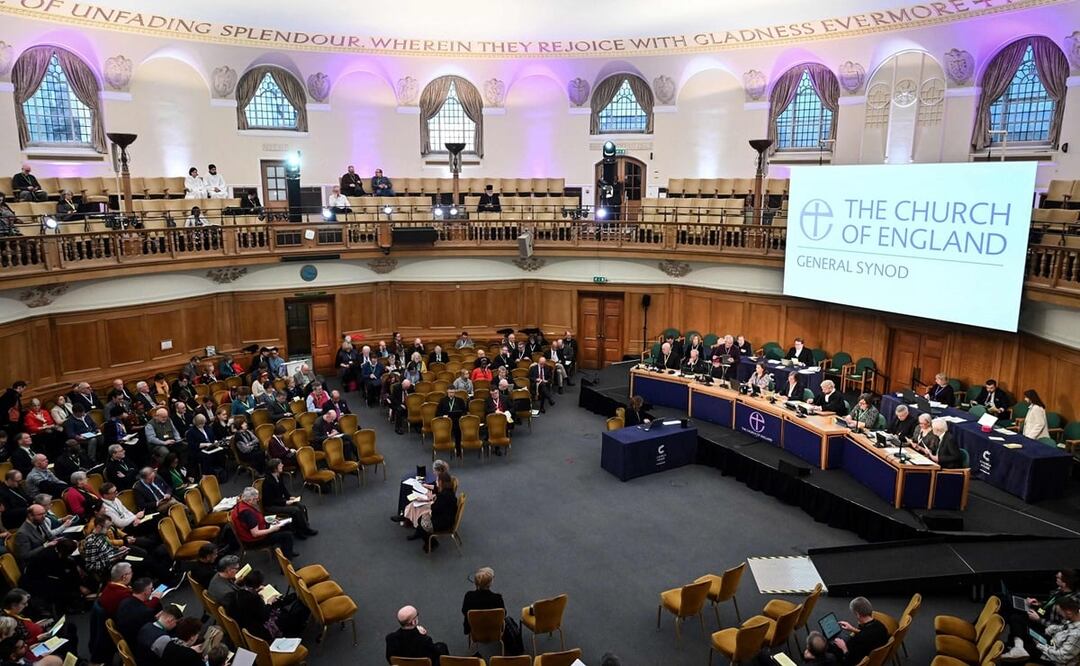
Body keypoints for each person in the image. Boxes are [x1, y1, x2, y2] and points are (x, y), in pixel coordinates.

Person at [1002, 569, 1079, 660]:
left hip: (1048, 630)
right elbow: (1050, 604)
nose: (1056, 577)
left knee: (1021, 628)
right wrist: (1038, 604)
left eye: (1058, 578)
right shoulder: (1059, 591)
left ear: (1065, 583)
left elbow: (1062, 628)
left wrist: (1039, 620)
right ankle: (1017, 647)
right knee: (1015, 614)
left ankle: (1017, 648)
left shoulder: (1071, 603)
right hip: (1042, 617)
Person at [230, 486, 299, 558]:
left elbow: (252, 522)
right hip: (254, 541)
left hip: (249, 534)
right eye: (256, 499)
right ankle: (287, 557)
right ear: (250, 500)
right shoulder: (248, 513)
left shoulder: (240, 505)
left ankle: (286, 550)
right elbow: (255, 534)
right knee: (288, 535)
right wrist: (272, 529)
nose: (258, 500)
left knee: (285, 525)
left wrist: (270, 520)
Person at [262, 458, 317, 538]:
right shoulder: (268, 482)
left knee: (299, 506)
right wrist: (285, 502)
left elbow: (283, 489)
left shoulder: (278, 476)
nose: (282, 465)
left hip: (279, 501)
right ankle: (300, 531)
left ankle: (303, 527)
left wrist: (289, 497)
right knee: (294, 510)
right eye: (280, 465)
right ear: (275, 468)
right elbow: (269, 500)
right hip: (271, 506)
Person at [833, 597, 889, 665]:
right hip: (875, 656)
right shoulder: (880, 625)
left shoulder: (859, 639)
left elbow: (850, 661)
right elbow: (867, 633)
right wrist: (852, 629)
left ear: (858, 614)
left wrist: (843, 647)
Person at [1034, 594, 1080, 665]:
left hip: (1055, 660)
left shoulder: (1076, 634)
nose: (1060, 615)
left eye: (1060, 613)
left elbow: (1061, 658)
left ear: (1069, 613)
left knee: (1028, 648)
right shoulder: (1076, 614)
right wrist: (1051, 629)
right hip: (1053, 642)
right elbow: (1063, 627)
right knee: (1027, 632)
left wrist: (1040, 646)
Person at [461, 566, 505, 635]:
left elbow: (464, 611)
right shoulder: (497, 598)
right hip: (494, 630)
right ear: (490, 583)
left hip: (475, 630)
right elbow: (503, 614)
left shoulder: (469, 596)